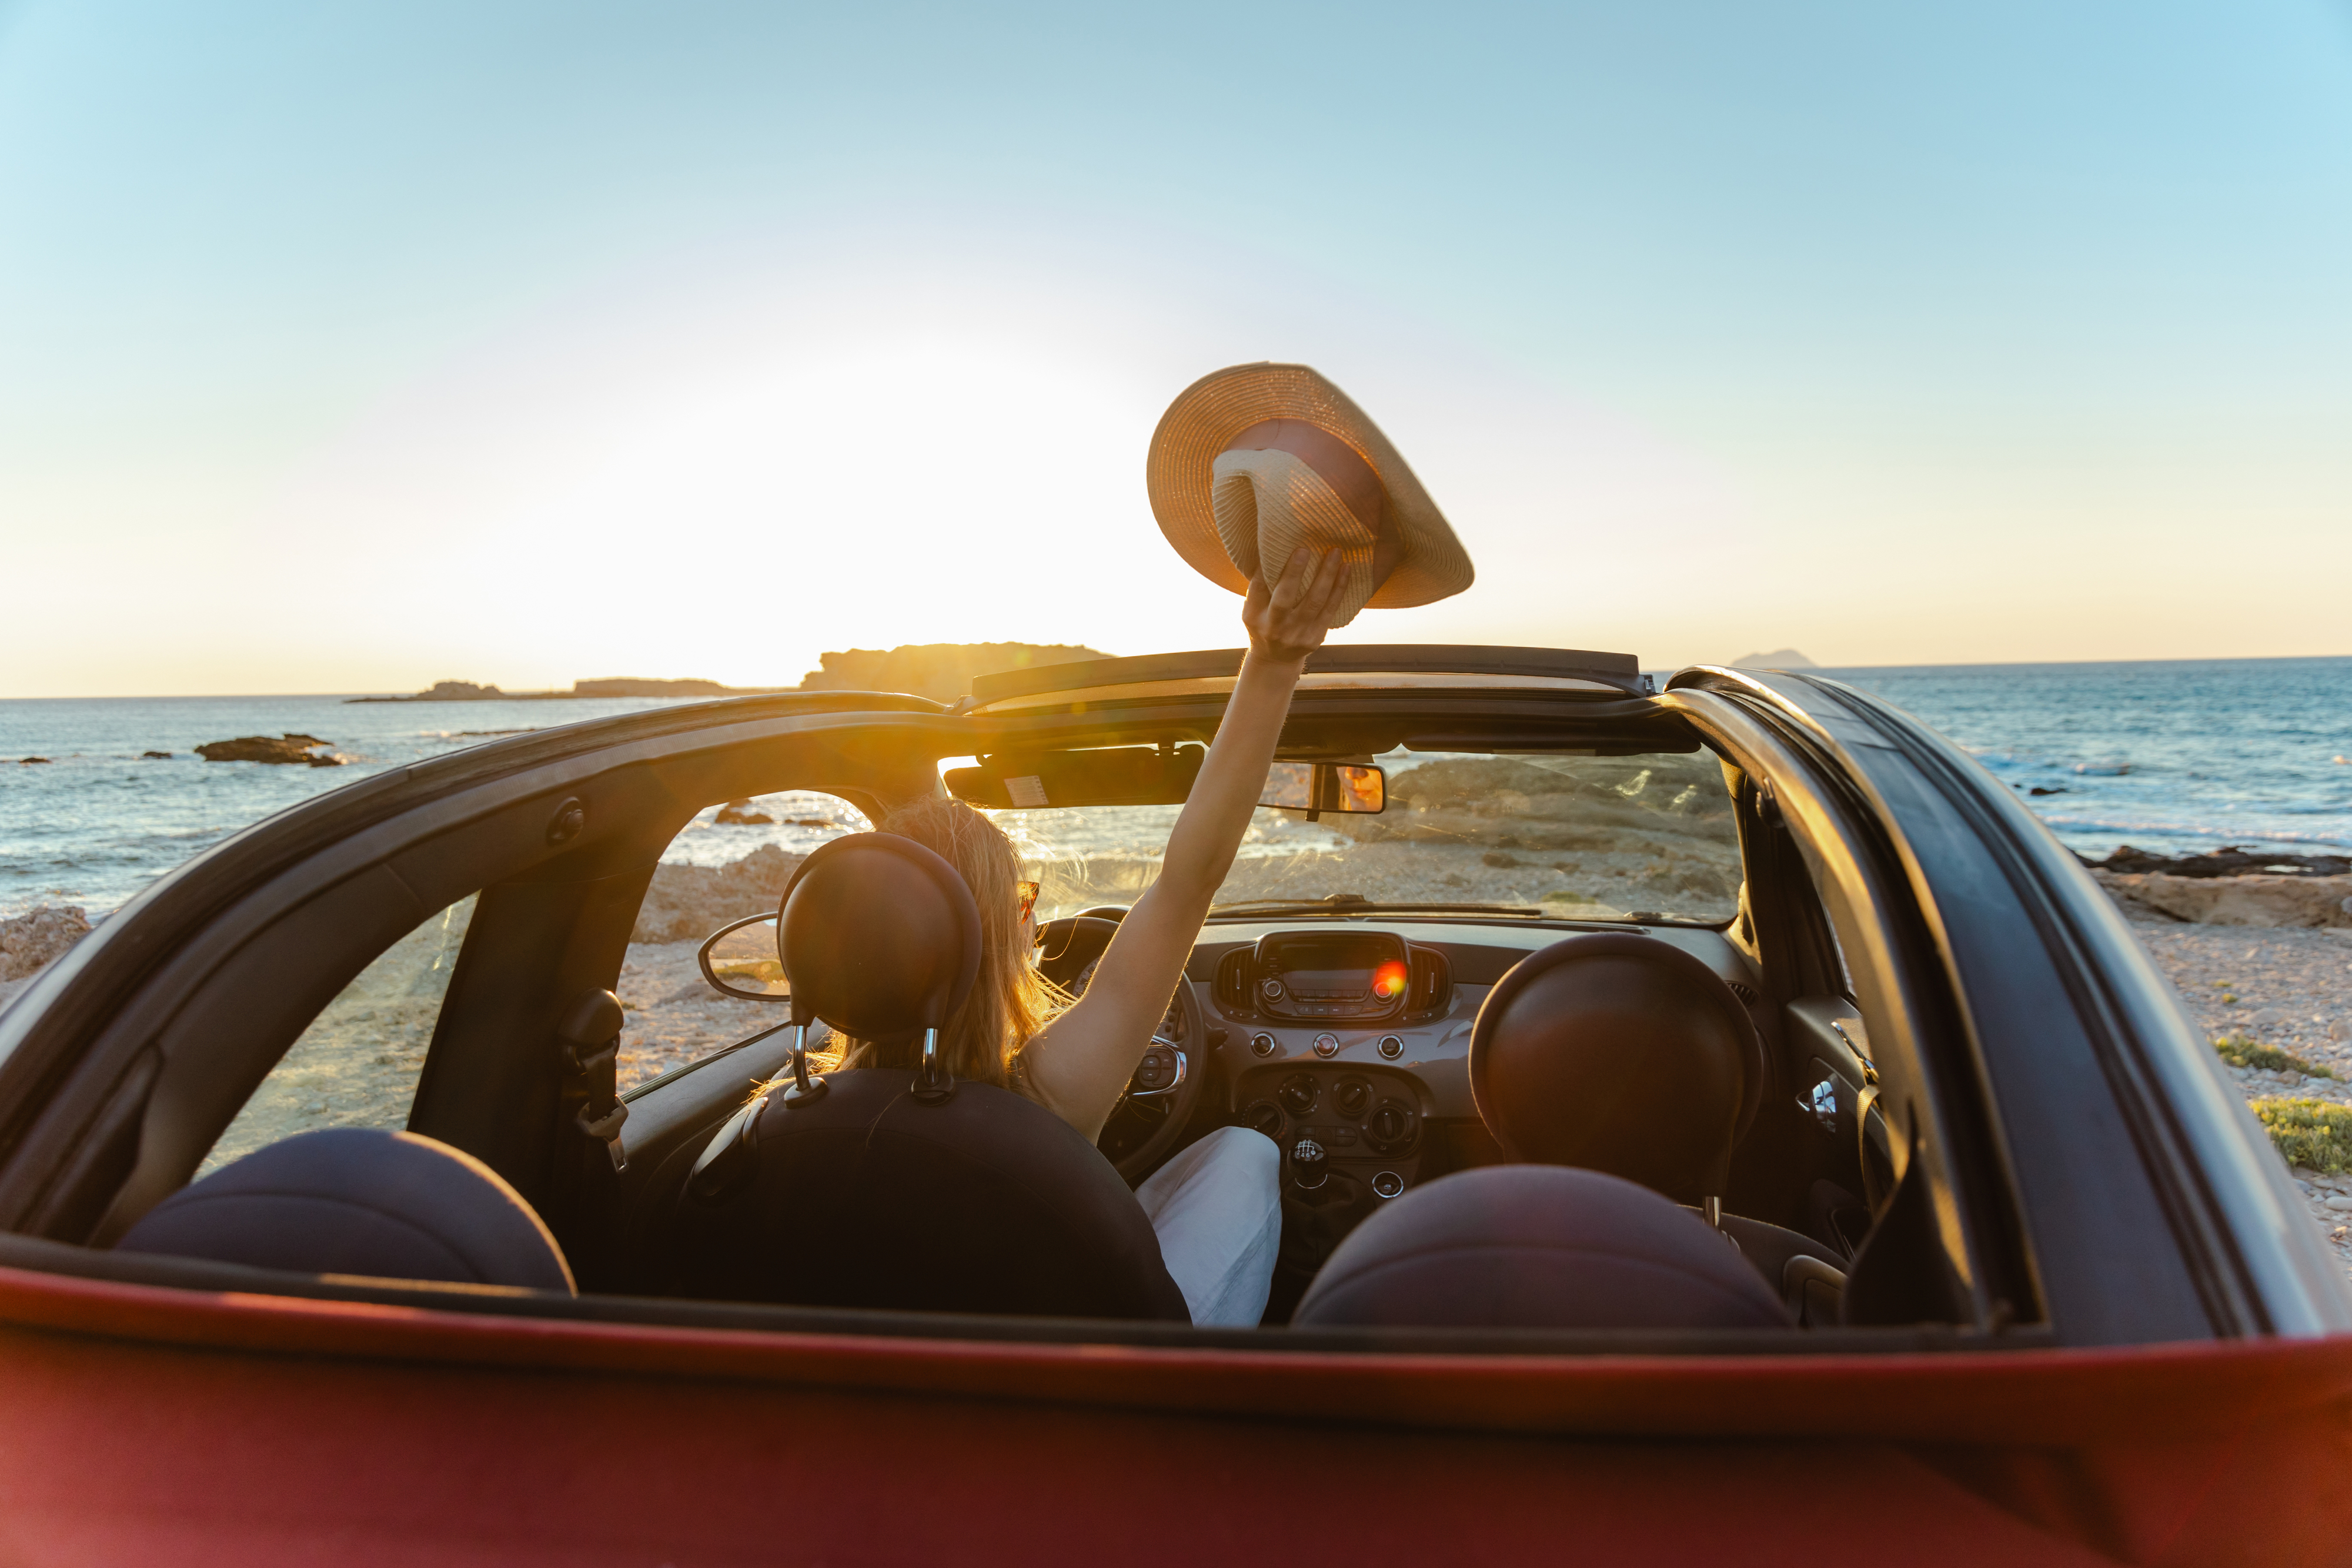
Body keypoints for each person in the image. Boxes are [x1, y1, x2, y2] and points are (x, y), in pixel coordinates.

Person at [819, 546, 1354, 1326]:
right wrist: (1272, 664)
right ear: (1000, 935)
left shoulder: (789, 1113)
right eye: (1023, 900)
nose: (1034, 914)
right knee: (1250, 1152)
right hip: (1104, 1384)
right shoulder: (1048, 1094)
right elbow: (1189, 879)